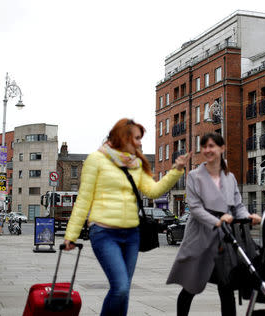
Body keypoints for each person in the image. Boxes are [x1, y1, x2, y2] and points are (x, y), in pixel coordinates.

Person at [63, 118, 190, 316]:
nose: (140, 143)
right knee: (120, 287)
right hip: (104, 233)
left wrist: (176, 171)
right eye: (137, 138)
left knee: (124, 291)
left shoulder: (135, 164)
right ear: (125, 137)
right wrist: (71, 234)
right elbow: (84, 199)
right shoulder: (96, 160)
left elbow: (153, 191)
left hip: (131, 235)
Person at [166, 132, 262, 316]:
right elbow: (195, 208)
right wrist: (217, 221)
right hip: (200, 238)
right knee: (190, 287)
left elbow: (238, 206)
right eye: (205, 147)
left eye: (212, 146)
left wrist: (248, 217)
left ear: (221, 148)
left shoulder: (230, 177)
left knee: (226, 286)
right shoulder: (195, 176)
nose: (208, 150)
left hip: (224, 240)